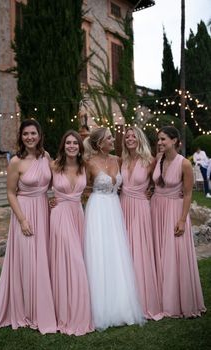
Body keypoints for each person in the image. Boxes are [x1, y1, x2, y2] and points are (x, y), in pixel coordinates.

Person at [0, 119, 57, 334]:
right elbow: (10, 193)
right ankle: (27, 308)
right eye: (25, 134)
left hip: (44, 211)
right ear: (21, 136)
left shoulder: (46, 157)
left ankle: (44, 305)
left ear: (39, 135)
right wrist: (22, 219)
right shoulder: (16, 161)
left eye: (33, 133)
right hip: (25, 213)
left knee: (43, 259)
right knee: (27, 261)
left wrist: (55, 199)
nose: (29, 137)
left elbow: (59, 178)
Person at [83, 127, 145, 331]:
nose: (113, 139)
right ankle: (99, 307)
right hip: (97, 209)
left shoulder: (118, 160)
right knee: (99, 254)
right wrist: (59, 200)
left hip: (114, 210)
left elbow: (141, 171)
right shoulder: (89, 162)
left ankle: (121, 305)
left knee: (116, 254)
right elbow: (82, 189)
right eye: (109, 137)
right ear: (100, 143)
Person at [151, 126, 206, 318]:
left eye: (163, 139)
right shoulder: (158, 159)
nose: (159, 143)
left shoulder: (184, 164)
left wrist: (182, 220)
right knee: (159, 252)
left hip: (174, 210)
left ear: (174, 141)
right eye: (158, 139)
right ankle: (160, 296)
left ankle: (178, 300)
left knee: (175, 253)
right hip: (156, 209)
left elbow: (188, 193)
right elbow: (154, 184)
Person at [49, 130, 94, 336]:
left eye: (75, 143)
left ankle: (77, 308)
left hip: (78, 215)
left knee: (78, 260)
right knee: (71, 261)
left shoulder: (85, 166)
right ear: (63, 145)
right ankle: (67, 312)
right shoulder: (54, 166)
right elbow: (39, 187)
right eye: (68, 143)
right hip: (60, 215)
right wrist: (46, 202)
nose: (71, 146)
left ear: (79, 146)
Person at [120, 126, 163, 321]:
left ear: (140, 139)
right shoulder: (122, 160)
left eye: (133, 136)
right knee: (125, 250)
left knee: (140, 250)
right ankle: (124, 297)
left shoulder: (150, 161)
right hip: (122, 207)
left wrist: (154, 191)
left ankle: (144, 299)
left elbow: (161, 180)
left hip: (140, 208)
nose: (130, 139)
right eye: (127, 136)